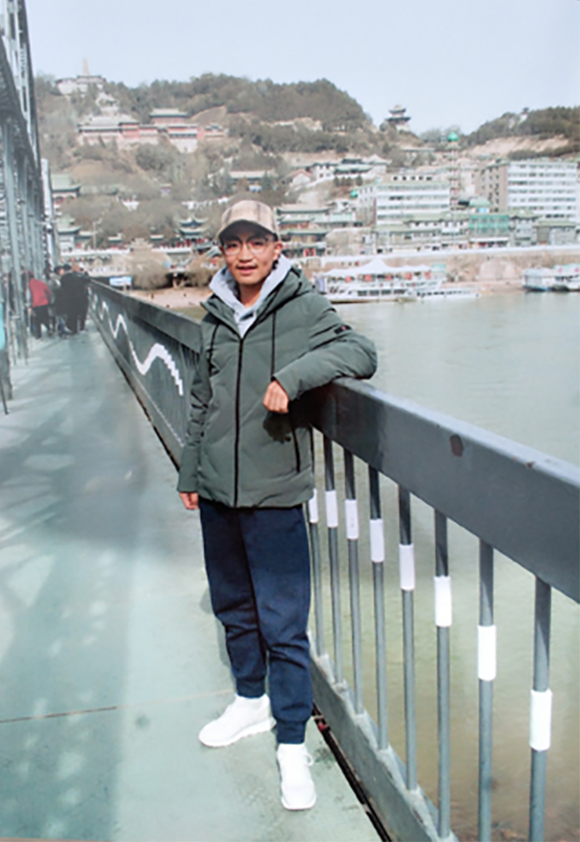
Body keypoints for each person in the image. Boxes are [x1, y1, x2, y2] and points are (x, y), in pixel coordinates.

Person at [177, 201, 377, 811]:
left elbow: (361, 353)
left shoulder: (303, 305)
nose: (244, 254)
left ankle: (292, 741)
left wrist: (294, 377)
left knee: (283, 624)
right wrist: (191, 469)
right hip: (217, 490)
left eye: (256, 241)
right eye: (233, 243)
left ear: (276, 247)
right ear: (221, 251)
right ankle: (250, 702)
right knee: (234, 608)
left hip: (274, 493)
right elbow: (202, 400)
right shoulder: (214, 314)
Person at [27, 273, 52, 338]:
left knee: (37, 320)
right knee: (45, 317)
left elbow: (29, 296)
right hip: (44, 303)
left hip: (36, 305)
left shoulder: (29, 285)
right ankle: (49, 328)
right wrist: (49, 300)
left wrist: (30, 305)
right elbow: (48, 291)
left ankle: (39, 334)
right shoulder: (40, 283)